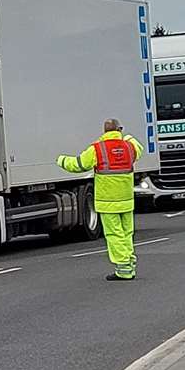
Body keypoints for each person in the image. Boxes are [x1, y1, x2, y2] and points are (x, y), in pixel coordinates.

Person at [57, 118, 145, 280]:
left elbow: (78, 165)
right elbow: (139, 148)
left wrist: (60, 160)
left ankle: (123, 269)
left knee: (114, 234)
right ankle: (129, 264)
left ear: (104, 132)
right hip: (126, 199)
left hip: (107, 201)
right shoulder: (129, 146)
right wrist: (127, 136)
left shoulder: (97, 148)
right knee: (126, 233)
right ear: (119, 130)